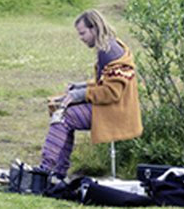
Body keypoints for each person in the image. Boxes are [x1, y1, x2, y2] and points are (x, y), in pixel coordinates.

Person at [38, 10, 142, 179]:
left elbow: (111, 92)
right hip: (113, 108)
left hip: (115, 113)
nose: (81, 38)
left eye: (83, 33)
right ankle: (56, 171)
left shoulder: (109, 51)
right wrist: (78, 87)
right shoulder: (109, 45)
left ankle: (46, 170)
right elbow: (105, 82)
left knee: (63, 117)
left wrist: (80, 95)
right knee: (64, 114)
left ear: (94, 28)